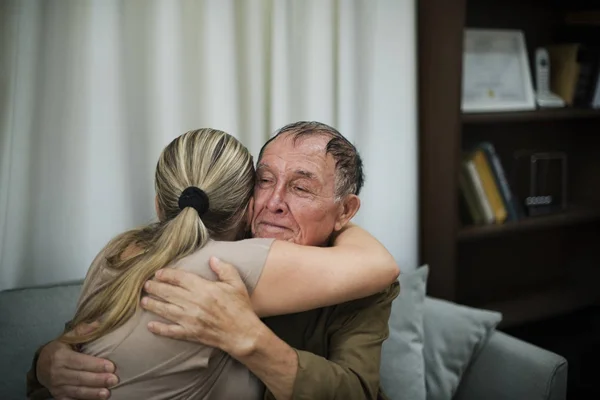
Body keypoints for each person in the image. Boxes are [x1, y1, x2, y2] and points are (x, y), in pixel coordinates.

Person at [27, 126, 399, 400]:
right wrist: (47, 361)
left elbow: (356, 392)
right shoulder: (215, 242)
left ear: (346, 209)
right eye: (264, 180)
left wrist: (250, 339)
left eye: (301, 188)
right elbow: (101, 338)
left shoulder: (361, 282)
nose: (273, 202)